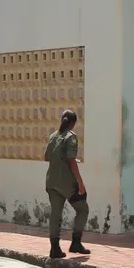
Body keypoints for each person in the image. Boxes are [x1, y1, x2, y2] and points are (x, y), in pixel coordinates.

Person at [43, 109, 90, 258]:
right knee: (83, 209)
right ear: (73, 123)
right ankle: (76, 242)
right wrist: (80, 182)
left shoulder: (53, 136)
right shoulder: (71, 137)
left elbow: (47, 157)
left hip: (52, 181)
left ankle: (54, 248)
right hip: (67, 184)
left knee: (55, 214)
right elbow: (71, 160)